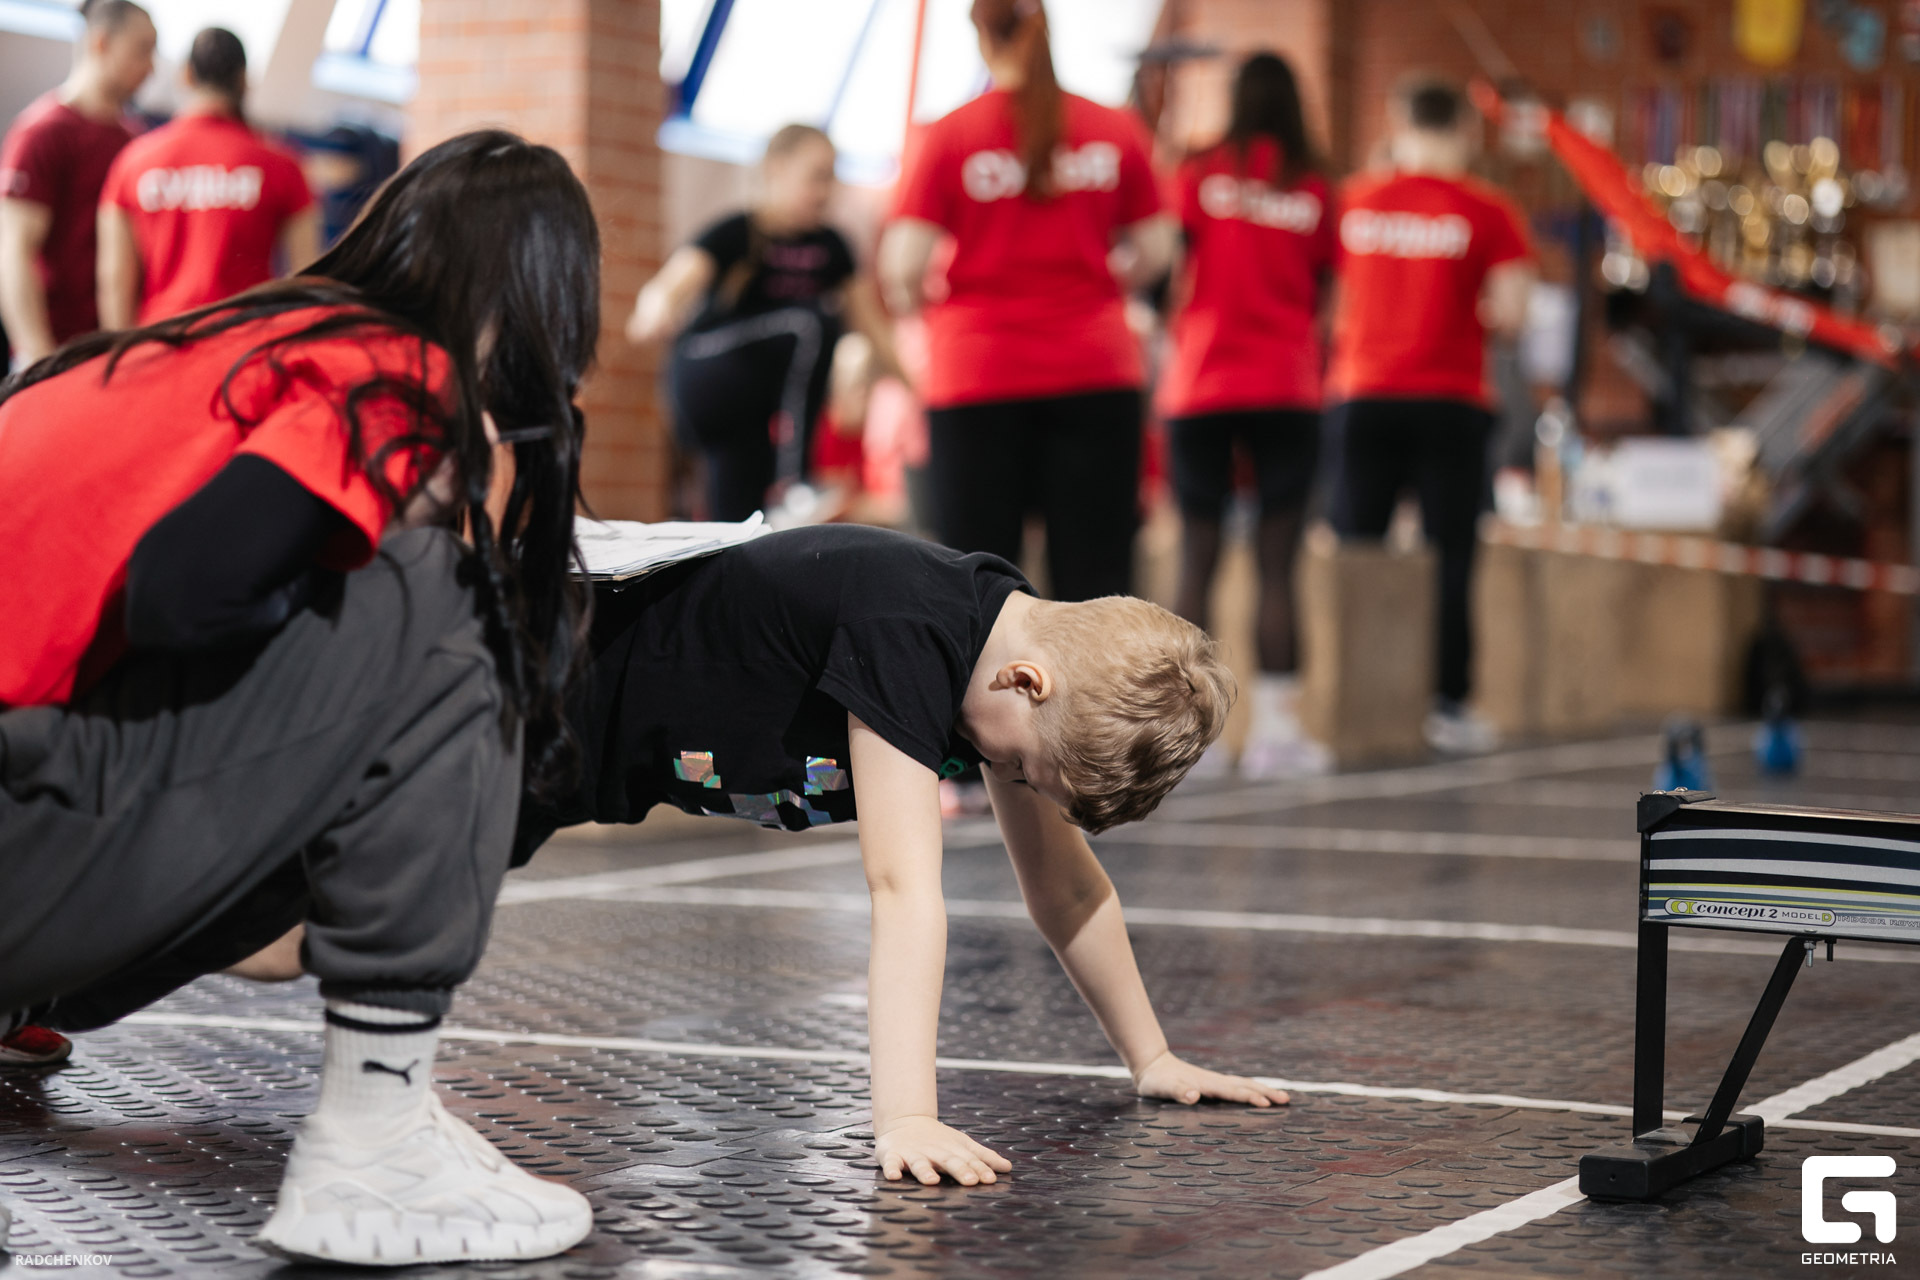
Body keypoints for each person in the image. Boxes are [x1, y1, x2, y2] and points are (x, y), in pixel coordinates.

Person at [0, 129, 602, 1266]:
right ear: (532, 307)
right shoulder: (393, 370)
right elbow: (187, 592)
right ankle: (377, 1136)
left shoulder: (223, 341)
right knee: (441, 599)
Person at [497, 524, 1287, 1186]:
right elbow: (902, 889)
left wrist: (1152, 1056)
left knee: (443, 892)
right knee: (429, 898)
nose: (1008, 778)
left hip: (586, 748)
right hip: (536, 679)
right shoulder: (911, 629)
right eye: (1020, 769)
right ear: (1026, 681)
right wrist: (907, 1116)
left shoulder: (1008, 664)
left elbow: (1067, 885)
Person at [878, 0, 1175, 603]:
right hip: (1095, 370)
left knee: (980, 589)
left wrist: (939, 307)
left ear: (982, 39)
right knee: (1097, 589)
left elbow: (901, 265)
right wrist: (1099, 281)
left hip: (978, 374)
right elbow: (1157, 249)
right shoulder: (1115, 128)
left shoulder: (951, 133)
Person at [1325, 78, 1534, 754]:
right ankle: (1448, 705)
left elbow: (1320, 298)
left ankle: (1351, 702)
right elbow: (1513, 313)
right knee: (1451, 557)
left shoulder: (1352, 201)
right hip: (1450, 401)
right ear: (1468, 130)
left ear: (1396, 122)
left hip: (1363, 394)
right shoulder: (1489, 209)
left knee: (1357, 553)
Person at [1160, 51, 1337, 781]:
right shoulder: (1317, 184)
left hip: (1201, 381)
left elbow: (1168, 268)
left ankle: (1186, 743)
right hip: (1285, 384)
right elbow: (1326, 289)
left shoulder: (1199, 170)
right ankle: (1276, 735)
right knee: (1276, 563)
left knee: (1197, 556)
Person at [629, 124, 898, 521]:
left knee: (742, 524)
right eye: (817, 177)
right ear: (776, 169)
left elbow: (872, 326)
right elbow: (673, 283)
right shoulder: (739, 231)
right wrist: (654, 310)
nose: (826, 191)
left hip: (750, 404)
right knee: (812, 323)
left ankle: (742, 536)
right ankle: (794, 483)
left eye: (832, 179)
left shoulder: (832, 246)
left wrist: (919, 391)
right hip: (705, 372)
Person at [97, 26, 319, 328]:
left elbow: (114, 280)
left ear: (186, 75)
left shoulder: (132, 162)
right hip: (244, 343)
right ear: (243, 81)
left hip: (158, 340)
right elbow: (306, 276)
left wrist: (123, 351)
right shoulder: (284, 165)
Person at [0, 0, 154, 369]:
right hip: (54, 352)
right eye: (142, 50)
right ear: (101, 43)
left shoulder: (134, 142)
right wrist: (37, 355)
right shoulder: (42, 133)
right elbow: (14, 252)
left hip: (110, 352)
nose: (150, 67)